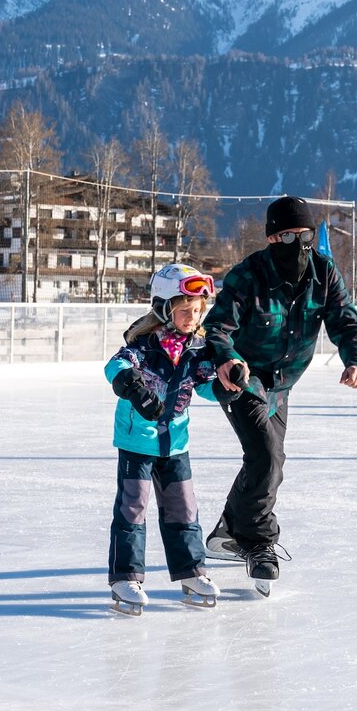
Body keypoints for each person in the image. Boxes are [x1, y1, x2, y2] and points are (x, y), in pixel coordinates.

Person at [203, 196, 357, 594]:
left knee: (270, 464)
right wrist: (226, 359)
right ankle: (260, 543)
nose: (298, 243)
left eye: (305, 235)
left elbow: (346, 322)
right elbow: (217, 327)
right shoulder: (249, 274)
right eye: (287, 235)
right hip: (243, 378)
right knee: (266, 455)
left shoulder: (323, 272)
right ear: (271, 237)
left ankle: (227, 530)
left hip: (282, 385)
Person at [103, 263, 237, 616]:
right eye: (184, 311)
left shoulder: (197, 349)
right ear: (164, 308)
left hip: (176, 444)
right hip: (137, 442)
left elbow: (206, 386)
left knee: (184, 510)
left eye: (197, 311)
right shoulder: (143, 346)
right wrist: (133, 387)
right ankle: (125, 577)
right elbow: (114, 368)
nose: (192, 317)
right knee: (133, 509)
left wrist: (226, 388)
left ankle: (192, 572)